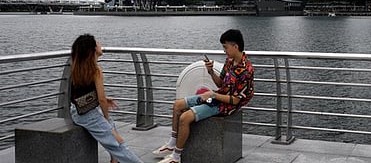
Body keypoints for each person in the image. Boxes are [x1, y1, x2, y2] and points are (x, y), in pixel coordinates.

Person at [153, 29, 254, 163]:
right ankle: (172, 144)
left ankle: (176, 157)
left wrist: (213, 95)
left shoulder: (246, 71)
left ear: (235, 46)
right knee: (178, 105)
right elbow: (220, 83)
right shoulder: (229, 61)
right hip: (218, 96)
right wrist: (211, 71)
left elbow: (236, 100)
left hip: (226, 106)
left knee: (185, 117)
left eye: (226, 47)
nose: (224, 50)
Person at [69, 34, 144, 163]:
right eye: (97, 42)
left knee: (112, 125)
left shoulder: (79, 68)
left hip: (77, 111)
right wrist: (106, 117)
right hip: (88, 114)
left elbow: (81, 93)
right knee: (118, 143)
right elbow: (102, 100)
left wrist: (99, 100)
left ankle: (114, 161)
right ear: (92, 50)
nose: (100, 44)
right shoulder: (95, 70)